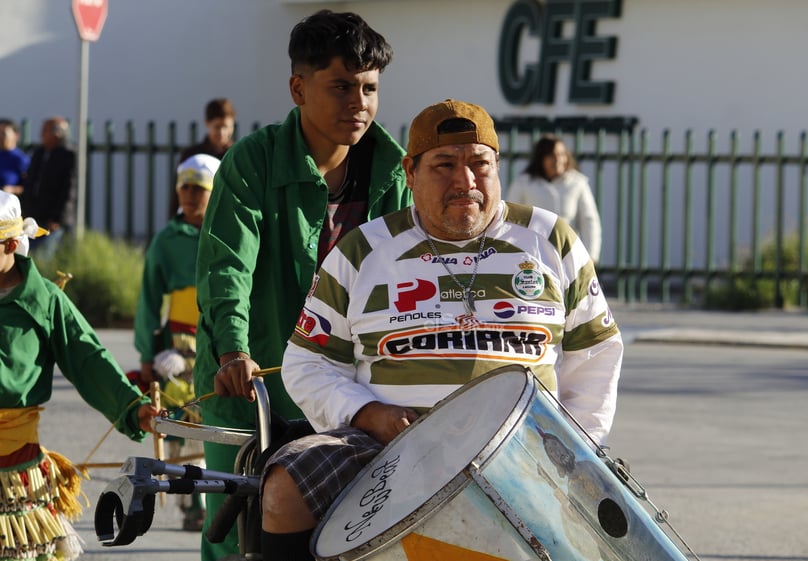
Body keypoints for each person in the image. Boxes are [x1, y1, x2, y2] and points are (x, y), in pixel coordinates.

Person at [214, 99, 624, 561]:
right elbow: (307, 363)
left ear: (498, 167)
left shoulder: (550, 239)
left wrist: (575, 449)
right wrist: (368, 414)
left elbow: (597, 355)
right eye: (444, 165)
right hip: (383, 446)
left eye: (479, 164)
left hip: (521, 447)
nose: (464, 181)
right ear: (410, 172)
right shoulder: (363, 250)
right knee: (285, 485)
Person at [194, 10, 412, 560]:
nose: (357, 102)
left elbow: (411, 276)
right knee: (238, 533)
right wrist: (232, 351)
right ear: (298, 87)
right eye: (340, 86)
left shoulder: (394, 172)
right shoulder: (252, 162)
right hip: (252, 388)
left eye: (369, 88)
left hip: (352, 394)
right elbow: (227, 267)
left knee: (353, 535)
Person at [0, 190, 159, 561]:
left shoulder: (45, 303)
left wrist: (131, 407)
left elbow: (90, 360)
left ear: (9, 244)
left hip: (14, 470)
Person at [133, 154, 220, 532]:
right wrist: (149, 353)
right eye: (184, 187)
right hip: (179, 344)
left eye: (198, 188)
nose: (189, 195)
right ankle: (194, 503)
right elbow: (150, 299)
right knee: (182, 420)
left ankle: (220, 493)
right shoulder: (166, 241)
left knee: (217, 419)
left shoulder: (225, 233)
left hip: (220, 339)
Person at [507, 134, 603, 262]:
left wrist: (591, 255)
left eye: (561, 154)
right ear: (541, 158)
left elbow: (589, 221)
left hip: (569, 256)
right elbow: (510, 220)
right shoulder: (523, 183)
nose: (558, 160)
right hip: (533, 255)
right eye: (551, 155)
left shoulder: (578, 183)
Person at [168, 98, 237, 217]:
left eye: (226, 127)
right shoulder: (192, 155)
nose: (222, 132)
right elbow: (179, 193)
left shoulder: (237, 155)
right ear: (207, 123)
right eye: (217, 127)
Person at [21, 117, 76, 258]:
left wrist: (58, 218)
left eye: (45, 131)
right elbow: (31, 182)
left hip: (51, 219)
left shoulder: (68, 155)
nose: (41, 135)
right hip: (34, 214)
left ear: (57, 134)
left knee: (44, 256)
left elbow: (68, 189)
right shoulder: (39, 153)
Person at [0, 118, 30, 195]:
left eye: (3, 133)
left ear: (16, 135)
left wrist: (12, 189)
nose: (0, 137)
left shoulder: (21, 159)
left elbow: (30, 187)